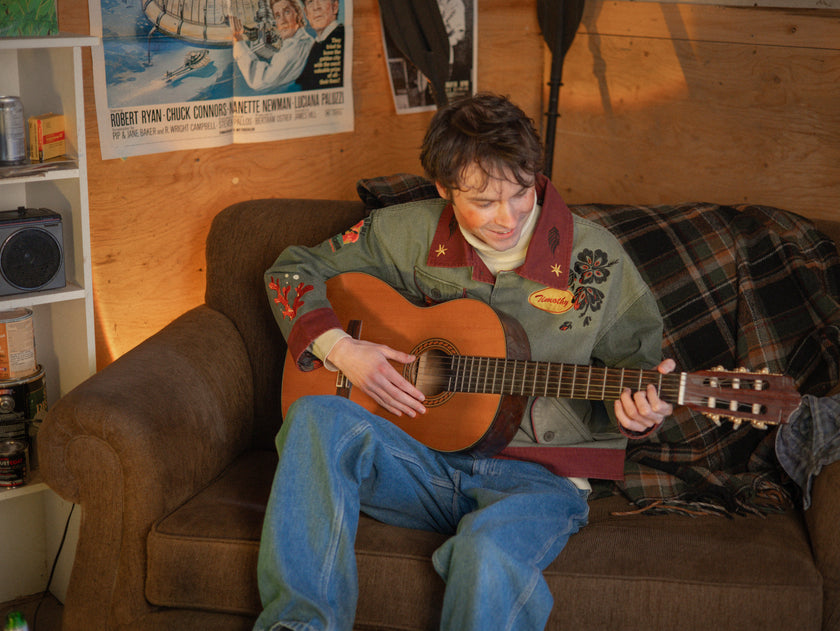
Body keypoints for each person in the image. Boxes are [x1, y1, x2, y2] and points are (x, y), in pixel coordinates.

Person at [256, 92, 675, 631]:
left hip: (540, 481)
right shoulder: (405, 232)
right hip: (419, 460)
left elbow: (639, 375)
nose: (508, 217)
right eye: (483, 201)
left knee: (486, 549)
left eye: (522, 193)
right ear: (444, 188)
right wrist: (343, 349)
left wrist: (639, 415)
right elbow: (291, 270)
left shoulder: (599, 259)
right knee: (315, 417)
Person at [230, 0, 313, 92]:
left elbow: (260, 80)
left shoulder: (297, 47)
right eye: (278, 16)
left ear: (299, 15)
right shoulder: (302, 42)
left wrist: (238, 42)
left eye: (287, 12)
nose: (282, 21)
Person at [294, 0, 344, 90]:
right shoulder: (314, 46)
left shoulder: (343, 38)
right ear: (306, 13)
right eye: (310, 2)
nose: (316, 7)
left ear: (335, 6)